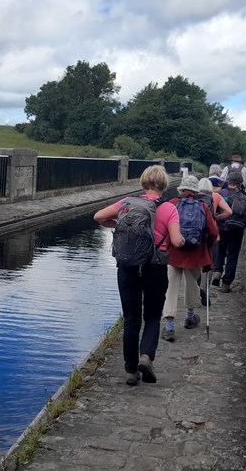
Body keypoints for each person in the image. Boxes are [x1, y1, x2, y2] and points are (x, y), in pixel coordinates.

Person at [93, 165, 185, 386]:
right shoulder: (169, 209)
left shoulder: (126, 203)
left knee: (131, 319)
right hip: (154, 269)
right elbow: (176, 241)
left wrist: (118, 224)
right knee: (152, 315)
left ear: (143, 183)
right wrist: (182, 241)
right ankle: (146, 356)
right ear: (164, 185)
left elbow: (98, 217)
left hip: (127, 268)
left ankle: (130, 370)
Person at [160, 176, 218, 342]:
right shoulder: (203, 206)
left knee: (171, 287)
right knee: (192, 284)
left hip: (173, 252)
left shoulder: (171, 203)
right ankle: (189, 317)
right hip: (195, 252)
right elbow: (213, 232)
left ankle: (170, 327)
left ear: (181, 189)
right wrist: (206, 246)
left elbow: (162, 227)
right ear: (195, 191)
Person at [213, 172, 246, 293]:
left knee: (220, 249)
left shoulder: (221, 194)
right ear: (240, 183)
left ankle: (217, 271)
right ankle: (226, 283)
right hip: (237, 229)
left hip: (222, 227)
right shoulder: (244, 196)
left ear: (228, 181)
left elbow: (215, 210)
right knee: (232, 255)